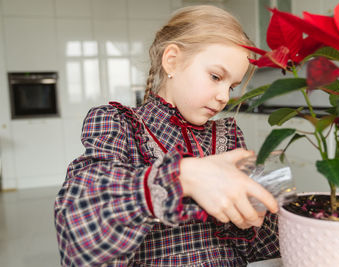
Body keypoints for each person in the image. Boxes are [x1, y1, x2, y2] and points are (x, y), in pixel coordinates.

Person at [54, 5, 280, 266]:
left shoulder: (227, 136)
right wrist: (182, 176)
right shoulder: (119, 124)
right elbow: (78, 225)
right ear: (172, 60)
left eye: (232, 86)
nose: (224, 97)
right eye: (216, 76)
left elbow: (254, 244)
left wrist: (269, 203)